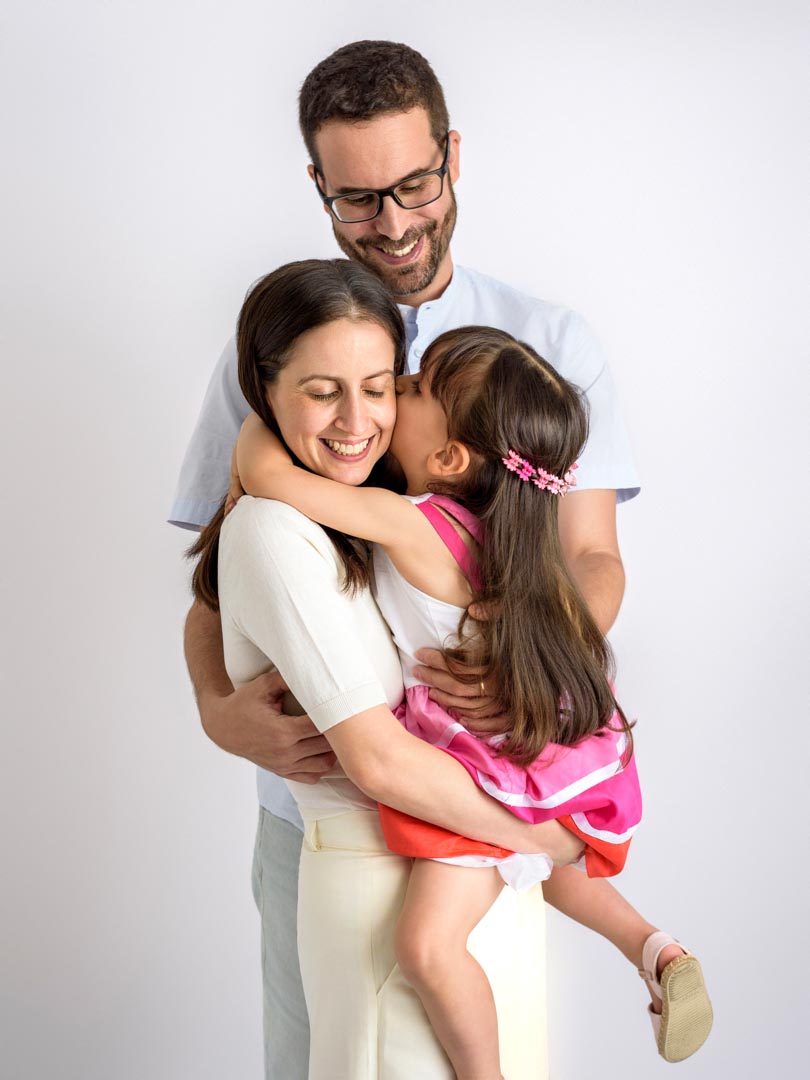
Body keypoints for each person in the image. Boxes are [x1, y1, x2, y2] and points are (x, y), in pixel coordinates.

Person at [169, 40, 656, 1077]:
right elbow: (221, 571)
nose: (392, 222)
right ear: (318, 188)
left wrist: (520, 650)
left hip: (482, 794)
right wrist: (215, 707)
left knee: (478, 1028)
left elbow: (595, 563)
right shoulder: (285, 336)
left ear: (453, 156)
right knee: (315, 1059)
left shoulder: (547, 341)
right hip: (320, 809)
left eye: (413, 184)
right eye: (356, 199)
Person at [232, 322, 713, 1073]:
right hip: (539, 751)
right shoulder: (506, 541)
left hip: (485, 763)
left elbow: (274, 483)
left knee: (426, 944)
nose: (394, 391)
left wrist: (263, 419)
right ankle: (657, 949)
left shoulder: (414, 526)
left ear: (451, 457)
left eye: (415, 386)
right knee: (552, 867)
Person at [191, 259, 584, 1079]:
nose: (359, 419)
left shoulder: (391, 505)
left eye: (382, 386)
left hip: (474, 880)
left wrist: (518, 654)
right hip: (395, 894)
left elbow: (585, 563)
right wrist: (545, 837)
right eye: (322, 391)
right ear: (264, 391)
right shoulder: (278, 523)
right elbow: (374, 759)